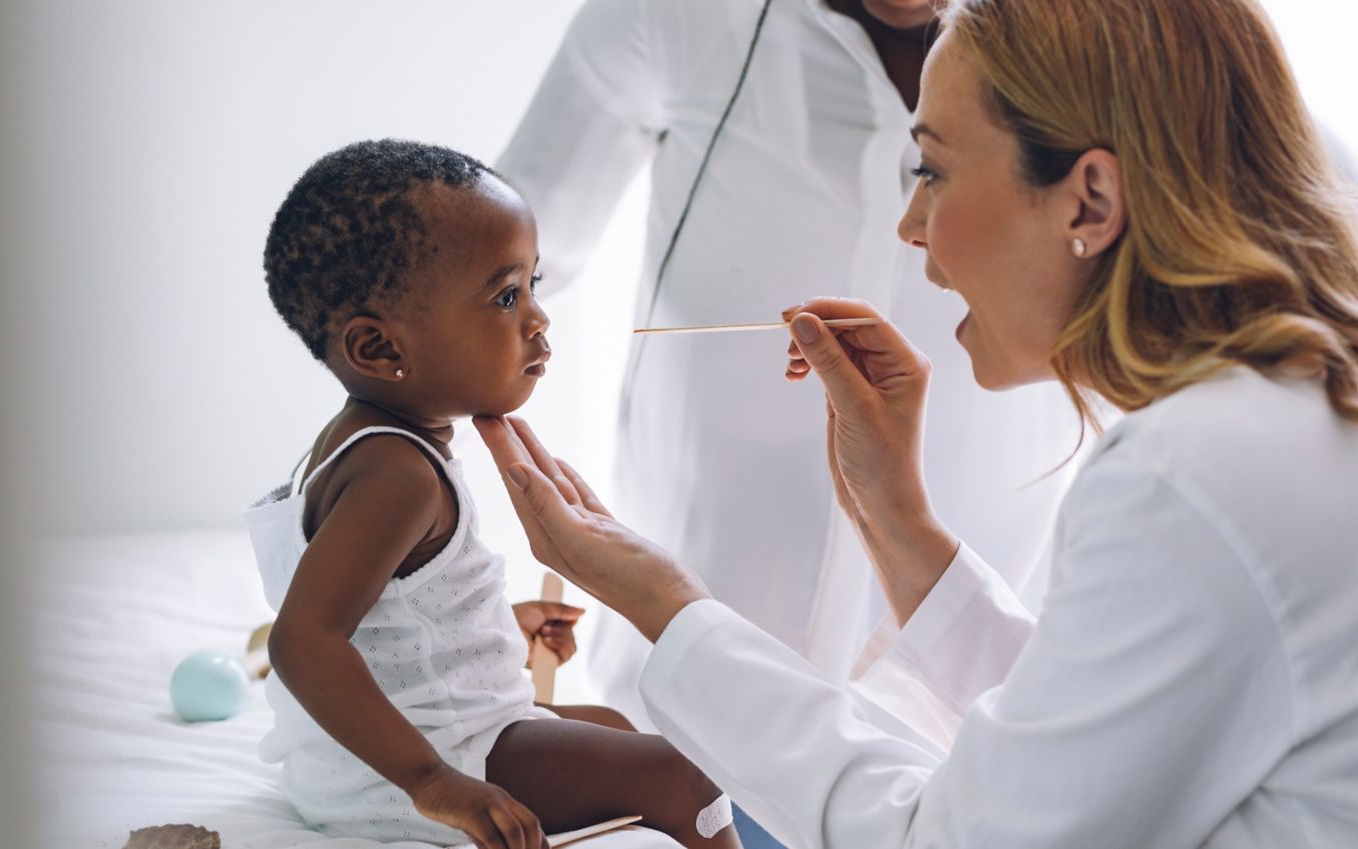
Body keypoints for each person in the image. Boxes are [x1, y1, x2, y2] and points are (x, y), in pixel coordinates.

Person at [474, 0, 1358, 844]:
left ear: (1089, 202)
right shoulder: (1287, 418)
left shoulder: (1183, 475)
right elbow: (1105, 736)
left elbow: (958, 838)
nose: (909, 225)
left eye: (930, 170)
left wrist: (667, 606)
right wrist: (894, 516)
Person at [496, 0, 1080, 734]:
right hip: (682, 720)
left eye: (930, 172)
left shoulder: (1107, 44)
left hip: (962, 722)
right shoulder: (670, 19)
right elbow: (487, 274)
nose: (913, 230)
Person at [242, 139, 744, 849]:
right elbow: (302, 641)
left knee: (612, 724)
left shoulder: (360, 445)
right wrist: (434, 782)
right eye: (506, 296)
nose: (538, 318)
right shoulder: (399, 473)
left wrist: (499, 628)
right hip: (408, 767)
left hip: (367, 756)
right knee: (687, 775)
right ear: (380, 350)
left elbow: (390, 624)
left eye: (534, 284)